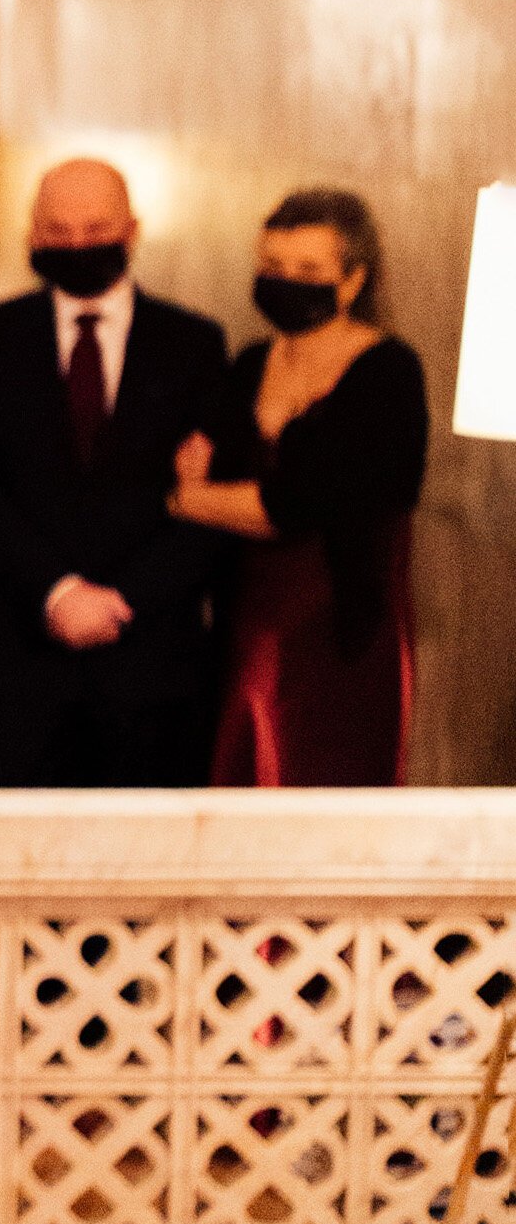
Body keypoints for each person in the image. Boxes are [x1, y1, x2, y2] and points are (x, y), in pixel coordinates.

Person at [0, 157, 227, 783]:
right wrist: (59, 593)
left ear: (132, 230)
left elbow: (209, 506)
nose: (77, 245)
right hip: (19, 661)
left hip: (152, 667)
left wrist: (122, 601)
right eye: (58, 231)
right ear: (32, 237)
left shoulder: (195, 345)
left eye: (95, 228)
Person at [169, 188, 429, 782]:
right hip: (246, 624)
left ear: (354, 280)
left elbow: (290, 506)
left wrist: (189, 500)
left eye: (308, 270)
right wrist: (201, 493)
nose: (286, 281)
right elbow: (192, 464)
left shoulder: (389, 372)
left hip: (342, 635)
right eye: (273, 267)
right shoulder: (252, 362)